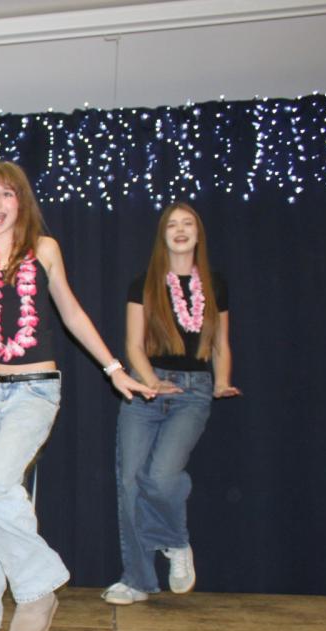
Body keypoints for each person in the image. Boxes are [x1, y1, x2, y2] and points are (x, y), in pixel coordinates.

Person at [0, 161, 157, 631]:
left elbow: (72, 313)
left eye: (7, 194)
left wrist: (114, 368)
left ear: (22, 202)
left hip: (35, 390)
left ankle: (38, 586)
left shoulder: (44, 249)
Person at [104, 202, 239, 605]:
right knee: (130, 482)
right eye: (172, 225)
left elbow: (220, 344)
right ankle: (137, 580)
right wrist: (151, 382)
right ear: (162, 236)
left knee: (161, 477)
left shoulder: (215, 284)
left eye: (188, 224)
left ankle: (176, 542)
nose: (180, 230)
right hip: (146, 387)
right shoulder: (143, 284)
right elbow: (133, 345)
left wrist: (222, 382)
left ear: (198, 234)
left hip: (193, 391)